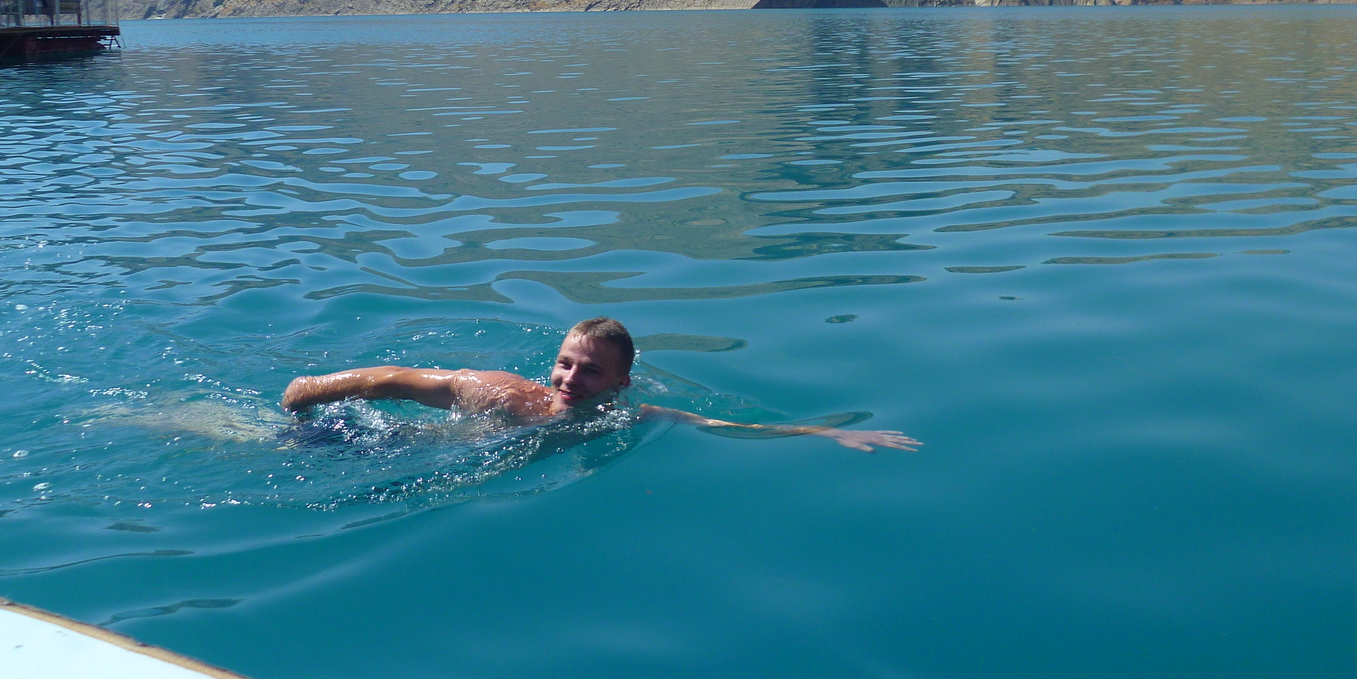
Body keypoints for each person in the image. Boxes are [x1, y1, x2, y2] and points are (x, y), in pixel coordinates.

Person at [281, 316, 920, 453]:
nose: (570, 379)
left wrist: (829, 431)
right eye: (565, 364)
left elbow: (725, 427)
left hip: (411, 448)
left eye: (589, 371)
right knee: (246, 442)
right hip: (354, 438)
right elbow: (390, 378)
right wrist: (308, 391)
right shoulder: (497, 392)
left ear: (620, 381)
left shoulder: (629, 415)